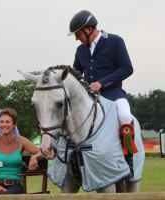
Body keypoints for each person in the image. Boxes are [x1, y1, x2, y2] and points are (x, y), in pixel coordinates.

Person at [68, 10, 137, 178]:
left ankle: (128, 160)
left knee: (125, 116)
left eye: (78, 34)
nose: (77, 38)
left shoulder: (115, 41)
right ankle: (74, 160)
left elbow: (127, 68)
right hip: (90, 98)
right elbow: (76, 75)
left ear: (89, 29)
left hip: (113, 93)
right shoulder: (80, 51)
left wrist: (102, 82)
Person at [0, 108, 43, 195]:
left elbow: (43, 152)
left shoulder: (21, 140)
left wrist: (35, 157)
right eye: (1, 122)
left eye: (7, 122)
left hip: (15, 184)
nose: (4, 124)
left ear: (14, 124)